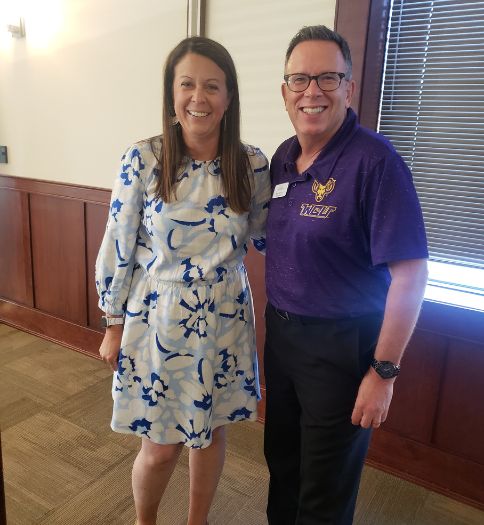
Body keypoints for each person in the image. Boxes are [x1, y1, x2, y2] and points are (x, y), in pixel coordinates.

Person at [95, 36, 271, 525]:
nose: (199, 97)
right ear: (172, 94)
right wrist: (112, 320)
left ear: (229, 97)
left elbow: (268, 236)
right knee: (161, 446)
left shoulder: (251, 163)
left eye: (212, 86)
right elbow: (119, 241)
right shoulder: (144, 159)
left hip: (226, 317)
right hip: (159, 318)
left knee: (211, 435)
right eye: (187, 84)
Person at [263, 25, 429, 525]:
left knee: (324, 488)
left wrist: (384, 373)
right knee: (283, 465)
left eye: (328, 78)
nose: (312, 91)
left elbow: (412, 275)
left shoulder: (377, 164)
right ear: (285, 90)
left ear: (349, 87)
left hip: (342, 347)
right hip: (283, 337)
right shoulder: (283, 158)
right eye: (299, 79)